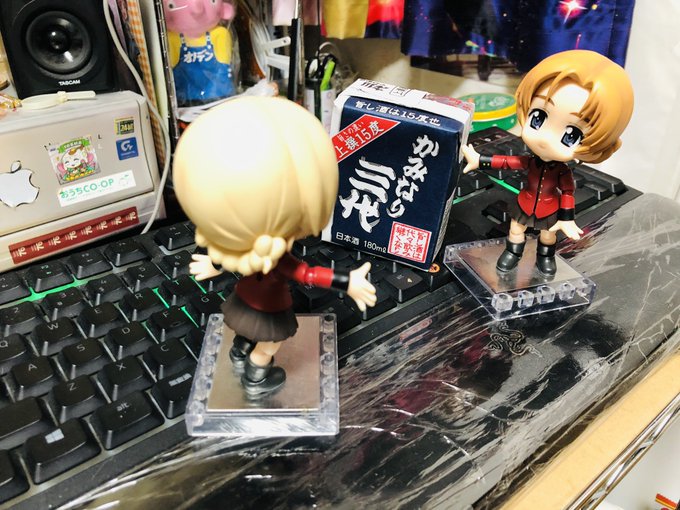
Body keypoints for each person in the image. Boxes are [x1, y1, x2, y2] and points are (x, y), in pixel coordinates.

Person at [172, 96, 377, 396]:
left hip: (244, 298)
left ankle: (240, 351)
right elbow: (308, 275)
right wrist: (347, 282)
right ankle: (256, 374)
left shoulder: (245, 251)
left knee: (246, 330)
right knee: (270, 344)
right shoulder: (279, 260)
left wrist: (213, 265)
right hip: (269, 309)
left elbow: (231, 258)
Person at [461, 49, 633, 275]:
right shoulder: (530, 161)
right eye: (538, 118)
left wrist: (567, 219)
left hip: (549, 208)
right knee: (516, 228)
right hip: (525, 202)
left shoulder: (562, 172)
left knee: (548, 235)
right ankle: (512, 253)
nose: (545, 139)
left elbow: (568, 193)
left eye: (571, 135)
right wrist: (480, 160)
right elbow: (508, 162)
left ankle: (545, 257)